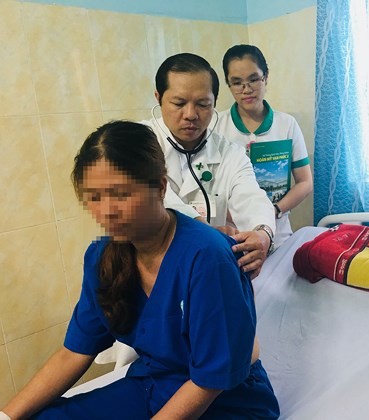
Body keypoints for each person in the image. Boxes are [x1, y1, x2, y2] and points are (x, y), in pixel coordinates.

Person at [0, 121, 279, 419]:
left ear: (159, 187)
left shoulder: (207, 257)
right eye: (94, 197)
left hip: (227, 402)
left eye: (120, 194)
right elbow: (74, 352)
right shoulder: (102, 257)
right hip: (154, 385)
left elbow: (209, 381)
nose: (106, 210)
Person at [146, 53, 275, 277]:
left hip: (207, 269)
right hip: (151, 269)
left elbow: (251, 196)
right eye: (178, 103)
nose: (191, 115)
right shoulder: (137, 141)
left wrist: (263, 233)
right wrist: (204, 229)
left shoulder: (230, 153)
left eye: (203, 104)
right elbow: (152, 195)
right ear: (159, 98)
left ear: (214, 101)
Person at [216, 44, 313, 247]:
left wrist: (274, 211)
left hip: (278, 233)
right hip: (231, 233)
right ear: (228, 84)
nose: (246, 89)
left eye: (253, 79)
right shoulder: (215, 126)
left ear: (265, 77)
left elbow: (305, 183)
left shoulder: (287, 124)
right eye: (237, 83)